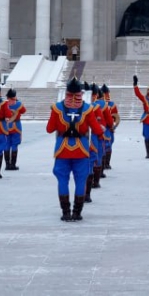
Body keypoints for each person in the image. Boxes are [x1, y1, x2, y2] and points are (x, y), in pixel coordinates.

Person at [46, 78, 106, 221]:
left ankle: (66, 212)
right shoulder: (87, 109)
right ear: (81, 93)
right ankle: (77, 212)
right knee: (80, 180)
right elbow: (97, 130)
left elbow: (49, 129)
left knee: (62, 180)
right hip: (81, 149)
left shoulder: (57, 108)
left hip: (62, 149)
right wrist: (102, 129)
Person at [4, 88, 26, 171]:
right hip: (16, 126)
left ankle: (7, 164)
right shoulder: (19, 104)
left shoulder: (5, 104)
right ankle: (13, 164)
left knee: (7, 145)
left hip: (6, 126)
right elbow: (23, 111)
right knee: (14, 145)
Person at [100, 84, 120, 171]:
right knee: (101, 145)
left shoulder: (112, 105)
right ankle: (101, 164)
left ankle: (106, 163)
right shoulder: (98, 104)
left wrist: (113, 125)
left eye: (106, 93)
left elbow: (115, 116)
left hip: (109, 128)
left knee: (109, 145)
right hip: (101, 127)